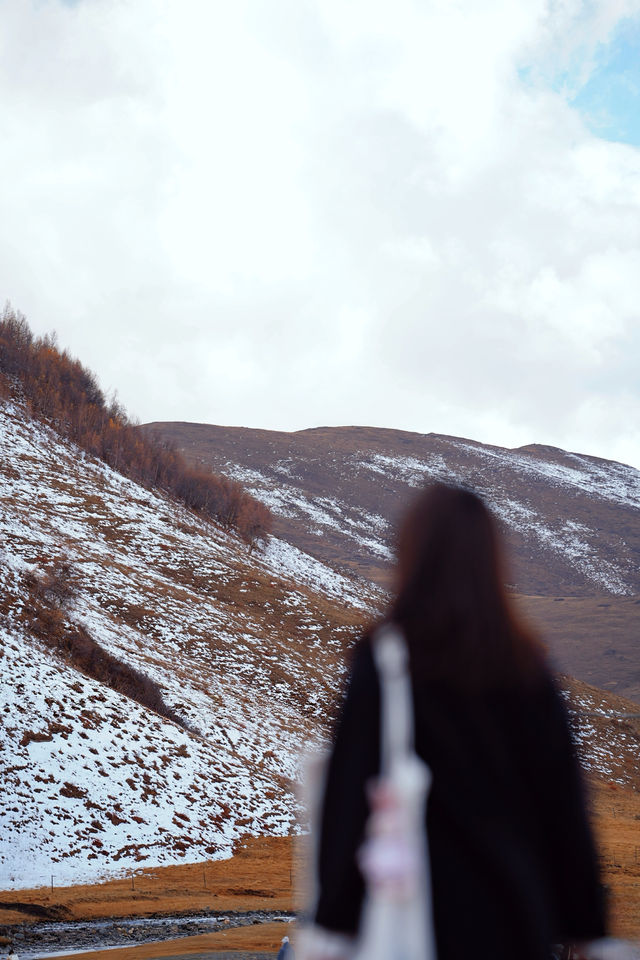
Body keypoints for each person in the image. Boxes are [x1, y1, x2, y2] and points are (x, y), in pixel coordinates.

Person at [309, 483, 607, 960]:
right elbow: (563, 806)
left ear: (412, 554)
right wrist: (583, 924)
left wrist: (336, 918)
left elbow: (349, 801)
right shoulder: (526, 668)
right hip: (515, 919)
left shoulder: (384, 662)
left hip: (416, 917)